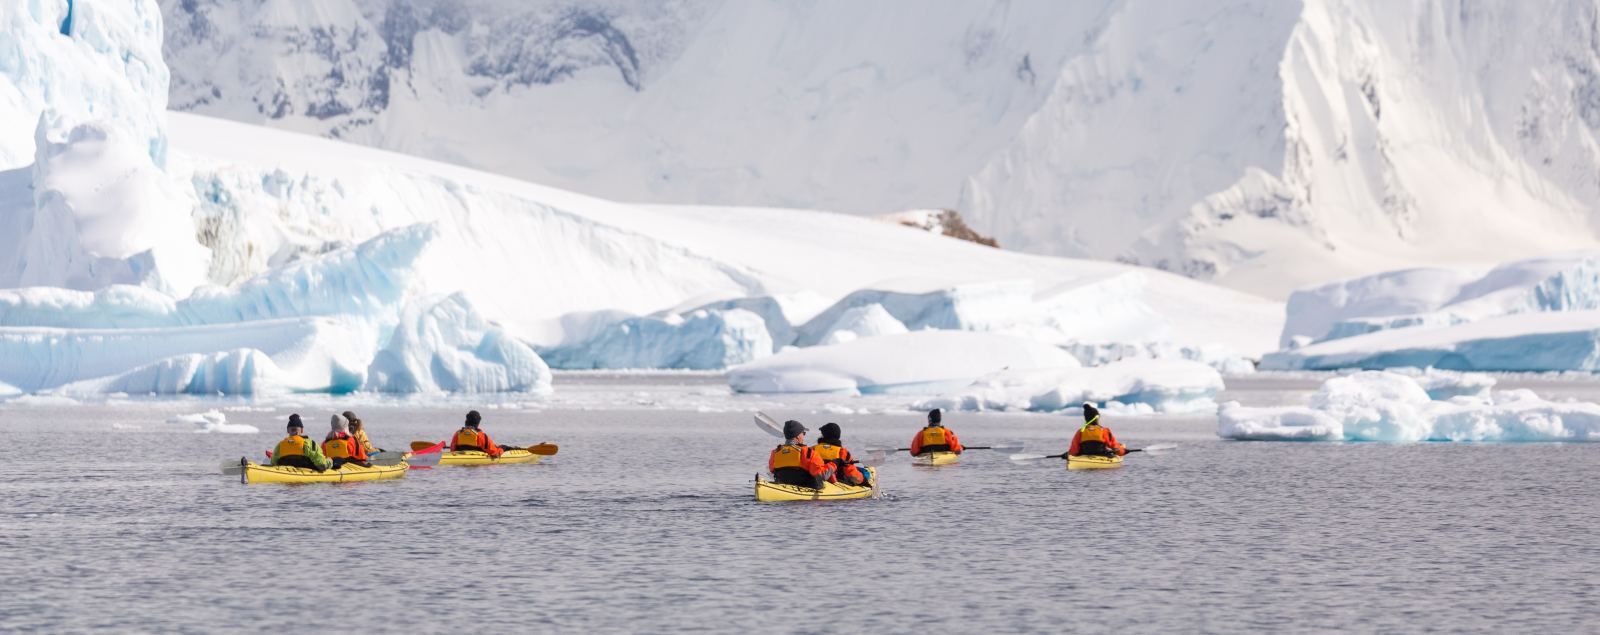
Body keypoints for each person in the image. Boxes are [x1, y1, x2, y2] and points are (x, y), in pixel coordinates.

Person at [768, 420, 834, 488]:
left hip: (782, 487)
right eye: (803, 433)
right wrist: (834, 464)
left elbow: (772, 470)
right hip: (806, 489)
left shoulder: (775, 452)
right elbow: (822, 475)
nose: (804, 435)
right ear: (798, 436)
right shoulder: (809, 452)